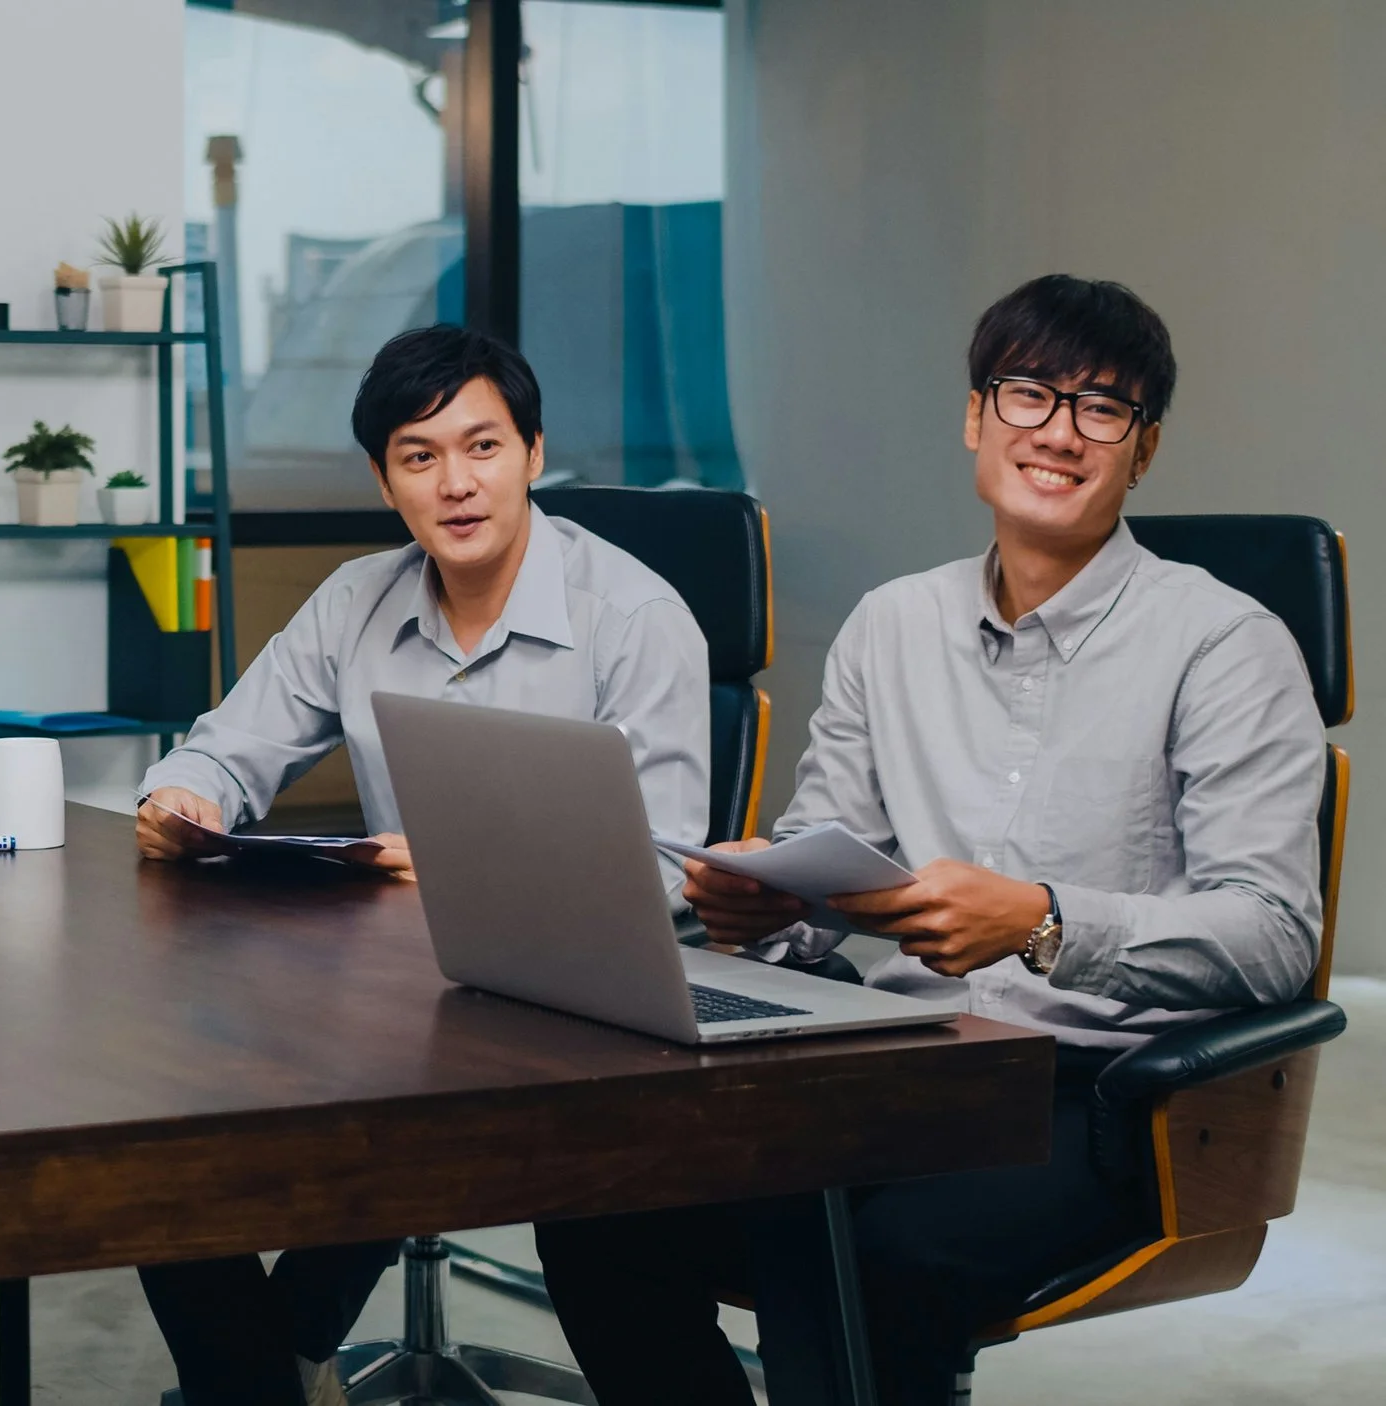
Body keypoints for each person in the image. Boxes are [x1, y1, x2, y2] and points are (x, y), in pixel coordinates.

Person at [534, 275, 1326, 1406]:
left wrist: (1043, 922)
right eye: (1026, 395)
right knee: (598, 1203)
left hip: (1106, 1096)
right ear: (973, 416)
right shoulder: (889, 623)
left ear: (1141, 451)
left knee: (874, 1257)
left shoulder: (1225, 646)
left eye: (1102, 409)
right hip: (891, 1062)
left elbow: (1274, 934)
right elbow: (828, 853)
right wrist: (771, 903)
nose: (1056, 431)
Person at [135, 325, 714, 1406]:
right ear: (383, 478)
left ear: (534, 452)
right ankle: (265, 1374)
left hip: (587, 1014)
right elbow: (228, 741)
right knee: (148, 1131)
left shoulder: (633, 619)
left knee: (343, 1104)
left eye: (482, 446)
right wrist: (185, 793)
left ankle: (265, 1370)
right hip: (404, 995)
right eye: (419, 455)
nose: (456, 483)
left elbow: (669, 867)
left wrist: (455, 871)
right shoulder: (357, 598)